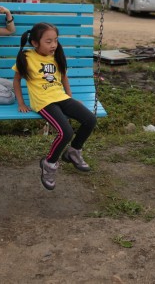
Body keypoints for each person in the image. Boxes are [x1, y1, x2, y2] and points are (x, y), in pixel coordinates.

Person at [13, 22, 97, 190]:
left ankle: (73, 151)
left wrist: (71, 98)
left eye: (56, 40)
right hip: (43, 102)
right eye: (48, 41)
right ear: (35, 43)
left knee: (90, 120)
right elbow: (16, 81)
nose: (53, 45)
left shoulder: (57, 56)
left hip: (61, 97)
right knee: (66, 132)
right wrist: (21, 103)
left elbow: (64, 77)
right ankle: (49, 163)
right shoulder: (27, 57)